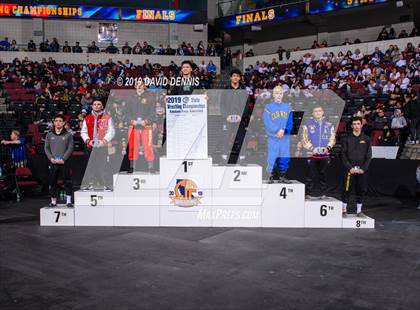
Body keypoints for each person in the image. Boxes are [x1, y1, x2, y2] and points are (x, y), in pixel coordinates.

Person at [302, 106, 336, 198]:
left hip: (324, 154)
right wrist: (312, 148)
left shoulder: (329, 125)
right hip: (312, 154)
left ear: (323, 112)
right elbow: (304, 139)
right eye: (315, 111)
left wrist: (328, 148)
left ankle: (323, 194)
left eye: (319, 111)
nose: (318, 112)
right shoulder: (307, 125)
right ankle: (308, 194)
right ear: (312, 113)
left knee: (324, 175)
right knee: (310, 175)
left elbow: (332, 139)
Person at [81, 100, 115, 190]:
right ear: (92, 106)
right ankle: (90, 184)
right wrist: (88, 141)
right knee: (90, 165)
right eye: (94, 104)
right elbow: (83, 132)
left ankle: (105, 185)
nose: (96, 106)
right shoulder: (87, 118)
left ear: (102, 106)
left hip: (102, 146)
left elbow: (111, 131)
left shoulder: (107, 117)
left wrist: (103, 141)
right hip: (90, 146)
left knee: (103, 165)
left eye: (98, 104)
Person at [341, 117, 372, 217]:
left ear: (361, 125)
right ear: (351, 126)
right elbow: (343, 155)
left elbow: (368, 155)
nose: (356, 126)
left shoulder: (366, 139)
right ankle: (344, 210)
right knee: (346, 189)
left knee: (361, 189)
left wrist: (363, 168)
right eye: (354, 124)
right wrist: (349, 167)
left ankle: (359, 211)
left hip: (361, 170)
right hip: (349, 170)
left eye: (358, 124)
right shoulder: (346, 139)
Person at [263, 85, 293, 183]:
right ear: (273, 94)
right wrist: (276, 130)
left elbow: (290, 122)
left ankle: (282, 176)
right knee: (272, 155)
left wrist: (284, 130)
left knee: (285, 156)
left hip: (284, 137)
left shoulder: (287, 107)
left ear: (283, 94)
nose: (279, 95)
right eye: (276, 93)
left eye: (280, 93)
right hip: (273, 137)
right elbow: (267, 121)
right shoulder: (268, 107)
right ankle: (270, 175)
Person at [44, 115, 74, 207]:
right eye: (56, 120)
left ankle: (68, 201)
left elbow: (70, 148)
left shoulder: (68, 135)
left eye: (60, 121)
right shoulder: (49, 135)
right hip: (53, 162)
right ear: (53, 122)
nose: (58, 122)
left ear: (64, 123)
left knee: (67, 181)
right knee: (52, 182)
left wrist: (63, 159)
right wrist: (51, 158)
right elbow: (46, 148)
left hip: (64, 162)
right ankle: (53, 201)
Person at [127, 81, 156, 173]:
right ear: (135, 86)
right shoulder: (130, 98)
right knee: (132, 146)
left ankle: (150, 167)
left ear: (144, 86)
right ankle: (132, 167)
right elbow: (126, 112)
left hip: (146, 126)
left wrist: (146, 121)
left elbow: (153, 112)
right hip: (133, 126)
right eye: (137, 84)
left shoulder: (150, 98)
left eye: (141, 84)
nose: (139, 86)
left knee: (148, 146)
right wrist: (132, 121)